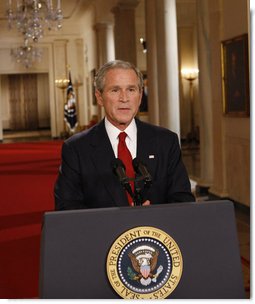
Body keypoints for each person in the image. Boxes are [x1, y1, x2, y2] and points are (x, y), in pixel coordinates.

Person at [54, 60, 195, 210]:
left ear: (140, 96)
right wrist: (121, 220)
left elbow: (183, 201)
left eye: (131, 90)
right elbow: (67, 208)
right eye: (115, 90)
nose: (124, 98)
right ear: (99, 97)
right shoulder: (76, 148)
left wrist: (155, 216)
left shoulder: (166, 142)